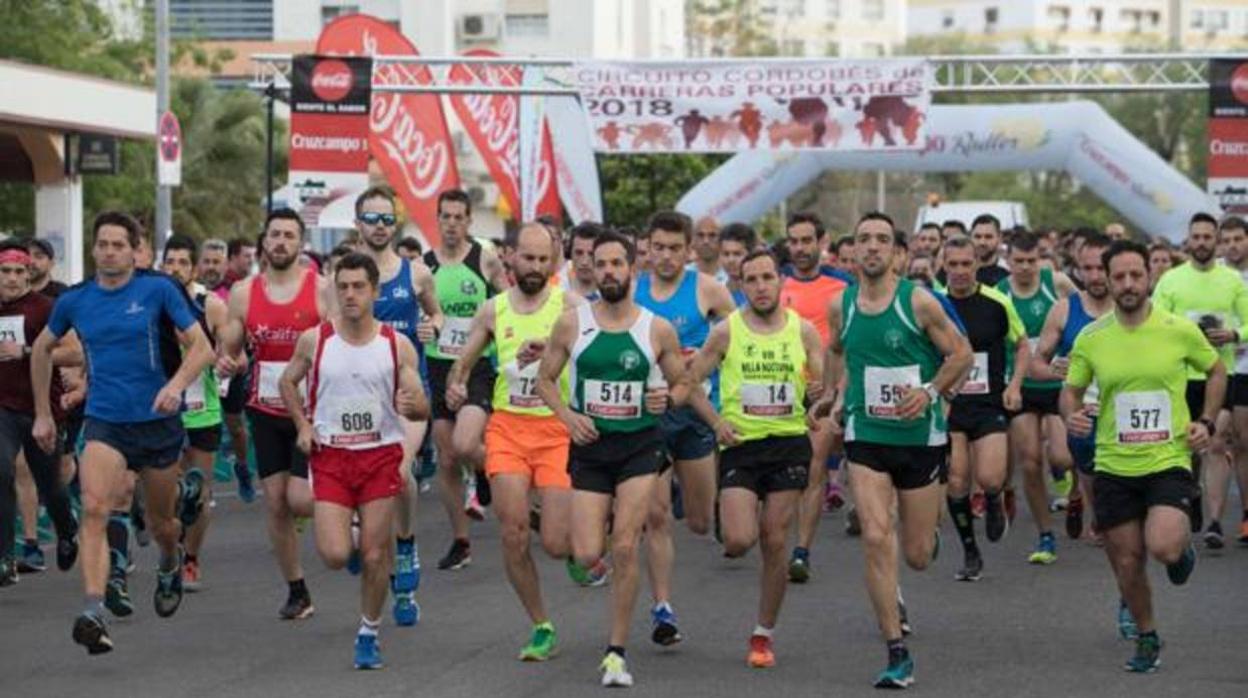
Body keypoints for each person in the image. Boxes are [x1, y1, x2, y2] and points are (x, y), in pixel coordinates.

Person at [30, 211, 213, 654]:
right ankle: (93, 609)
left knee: (162, 523)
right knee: (94, 507)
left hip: (157, 422)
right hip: (106, 421)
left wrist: (174, 386)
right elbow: (41, 349)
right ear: (93, 249)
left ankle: (169, 561)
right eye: (102, 244)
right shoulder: (75, 300)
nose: (109, 251)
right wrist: (43, 414)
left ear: (135, 250)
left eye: (118, 244)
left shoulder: (158, 290)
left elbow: (203, 347)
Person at [810, 211, 972, 689]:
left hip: (920, 438)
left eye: (882, 239)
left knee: (918, 554)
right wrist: (828, 392)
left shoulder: (918, 302)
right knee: (877, 536)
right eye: (864, 240)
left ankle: (929, 539)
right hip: (867, 436)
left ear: (897, 252)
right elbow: (837, 350)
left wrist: (930, 392)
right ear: (852, 251)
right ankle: (896, 650)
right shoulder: (843, 305)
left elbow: (960, 354)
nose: (873, 247)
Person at [535, 231, 690, 688]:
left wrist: (669, 398)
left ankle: (616, 652)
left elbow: (683, 384)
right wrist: (567, 418)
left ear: (632, 270)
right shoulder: (571, 324)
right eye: (600, 265)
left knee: (625, 545)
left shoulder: (656, 328)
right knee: (586, 553)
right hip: (590, 447)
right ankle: (609, 563)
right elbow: (545, 380)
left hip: (640, 446)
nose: (607, 272)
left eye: (616, 264)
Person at [448, 222, 602, 662]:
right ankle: (541, 626)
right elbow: (463, 365)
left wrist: (555, 347)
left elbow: (600, 353)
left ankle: (579, 546)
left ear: (553, 261)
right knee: (513, 533)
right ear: (510, 257)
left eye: (543, 259)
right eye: (527, 258)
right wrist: (455, 387)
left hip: (556, 431)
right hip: (509, 429)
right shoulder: (493, 310)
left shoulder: (571, 307)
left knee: (554, 542)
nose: (534, 267)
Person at [1062, 239, 1218, 673]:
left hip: (1167, 457)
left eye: (1136, 275)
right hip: (1113, 463)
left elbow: (1216, 369)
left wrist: (1205, 421)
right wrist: (1072, 415)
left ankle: (1181, 549)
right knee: (1128, 563)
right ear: (1106, 281)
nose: (1128, 284)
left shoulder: (1178, 329)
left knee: (1163, 547)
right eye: (1119, 277)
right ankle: (1148, 635)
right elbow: (1071, 390)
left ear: (1149, 276)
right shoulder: (1092, 338)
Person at [278, 252, 428, 670]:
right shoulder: (316, 340)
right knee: (334, 554)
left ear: (375, 291)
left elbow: (421, 412)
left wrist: (412, 404)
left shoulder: (396, 346)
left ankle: (368, 631)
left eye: (359, 286)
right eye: (342, 286)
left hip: (380, 455)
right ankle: (358, 541)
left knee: (378, 556)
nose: (350, 294)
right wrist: (303, 425)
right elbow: (288, 382)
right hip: (331, 458)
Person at [686, 249, 825, 668]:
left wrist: (818, 399)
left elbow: (820, 386)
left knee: (775, 538)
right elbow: (690, 382)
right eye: (752, 279)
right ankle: (724, 509)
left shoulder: (803, 332)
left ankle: (763, 633)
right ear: (741, 285)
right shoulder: (726, 331)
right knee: (738, 540)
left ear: (780, 281)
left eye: (768, 277)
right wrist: (715, 423)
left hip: (787, 443)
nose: (761, 286)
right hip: (741, 445)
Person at [219, 208, 334, 620]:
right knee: (276, 503)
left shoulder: (322, 290)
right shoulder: (245, 293)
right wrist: (227, 361)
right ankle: (297, 589)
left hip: (311, 410)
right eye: (275, 235)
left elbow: (340, 345)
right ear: (264, 242)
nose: (281, 242)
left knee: (300, 499)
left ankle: (348, 513)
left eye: (289, 235)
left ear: (301, 243)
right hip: (264, 409)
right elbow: (230, 345)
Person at [635, 211, 737, 647]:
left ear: (689, 250)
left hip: (696, 414)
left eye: (675, 248)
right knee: (655, 518)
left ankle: (698, 501)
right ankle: (663, 609)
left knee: (697, 522)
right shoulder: (633, 290)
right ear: (647, 247)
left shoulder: (708, 289)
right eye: (658, 247)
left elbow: (742, 335)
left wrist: (707, 358)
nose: (666, 256)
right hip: (649, 415)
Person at [352, 186, 444, 625]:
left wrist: (432, 326)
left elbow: (437, 315)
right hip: (360, 394)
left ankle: (405, 545)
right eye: (371, 218)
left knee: (399, 470)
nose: (380, 225)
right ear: (358, 224)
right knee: (364, 488)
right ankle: (378, 559)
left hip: (408, 391)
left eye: (387, 218)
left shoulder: (417, 273)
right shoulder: (346, 276)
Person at [422, 189, 508, 571]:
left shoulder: (484, 260)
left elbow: (508, 304)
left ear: (469, 222)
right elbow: (419, 316)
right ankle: (461, 541)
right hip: (439, 367)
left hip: (477, 367)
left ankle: (491, 473)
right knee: (447, 458)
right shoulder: (424, 268)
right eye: (446, 217)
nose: (452, 224)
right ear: (437, 220)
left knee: (465, 441)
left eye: (459, 217)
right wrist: (425, 327)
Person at [1151, 212, 1248, 545]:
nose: (1203, 243)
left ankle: (1216, 522)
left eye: (1209, 237)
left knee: (1218, 439)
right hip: (1181, 376)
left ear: (1216, 240)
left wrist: (1234, 334)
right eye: (1198, 237)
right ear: (1188, 241)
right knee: (1189, 446)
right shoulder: (1171, 280)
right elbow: (1156, 323)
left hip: (1221, 374)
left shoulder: (1232, 281)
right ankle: (1191, 491)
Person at [942, 235, 1027, 581]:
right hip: (951, 406)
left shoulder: (997, 302)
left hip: (989, 401)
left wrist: (1015, 384)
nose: (960, 271)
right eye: (953, 265)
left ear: (977, 264)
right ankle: (970, 550)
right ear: (943, 266)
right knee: (958, 480)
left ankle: (994, 499)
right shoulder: (935, 304)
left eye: (966, 264)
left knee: (990, 477)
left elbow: (1022, 346)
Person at [0, 240, 79, 586]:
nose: (13, 278)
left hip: (40, 410)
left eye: (19, 271)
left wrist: (29, 351)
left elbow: (75, 352)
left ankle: (66, 529)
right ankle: (5, 557)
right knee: (1, 472)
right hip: (2, 409)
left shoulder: (46, 308)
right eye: (5, 271)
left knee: (52, 487)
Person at [996, 230, 1078, 564]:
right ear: (1008, 261)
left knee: (1062, 457)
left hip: (1056, 384)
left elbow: (1083, 312)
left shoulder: (1056, 283)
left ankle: (1074, 494)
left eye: (1031, 261)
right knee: (1030, 461)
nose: (1026, 268)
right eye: (1019, 261)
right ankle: (1046, 534)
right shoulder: (1000, 293)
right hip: (1021, 387)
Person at [779, 213, 851, 583]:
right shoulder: (774, 285)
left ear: (822, 243)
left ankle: (801, 551)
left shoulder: (841, 289)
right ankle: (776, 539)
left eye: (807, 241)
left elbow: (847, 345)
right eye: (794, 241)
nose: (800, 248)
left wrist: (835, 389)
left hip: (821, 394)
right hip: (778, 393)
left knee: (814, 468)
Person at [1030, 233, 1115, 542]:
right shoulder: (1065, 310)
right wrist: (1054, 370)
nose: (1094, 276)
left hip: (1123, 413)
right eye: (1087, 268)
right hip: (1082, 415)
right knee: (1080, 464)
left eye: (1101, 268)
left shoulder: (1133, 308)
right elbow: (1035, 364)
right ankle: (1088, 501)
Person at [160, 235, 228, 591]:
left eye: (183, 263)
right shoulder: (152, 302)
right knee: (167, 491)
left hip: (202, 410)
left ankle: (191, 560)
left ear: (194, 268)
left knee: (199, 491)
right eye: (170, 262)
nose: (175, 269)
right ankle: (169, 552)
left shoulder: (211, 305)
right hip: (163, 410)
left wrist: (230, 360)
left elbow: (235, 350)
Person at [1217, 216, 1248, 544]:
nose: (1232, 246)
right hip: (1225, 369)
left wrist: (1236, 333)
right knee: (1234, 442)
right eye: (1226, 241)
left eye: (1238, 239)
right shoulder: (1215, 275)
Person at [562, 222, 603, 301]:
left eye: (591, 254)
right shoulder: (553, 289)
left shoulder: (615, 294)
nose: (584, 262)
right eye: (579, 253)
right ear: (570, 253)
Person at [719, 223, 757, 307]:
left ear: (751, 254)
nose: (730, 260)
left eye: (737, 254)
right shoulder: (715, 294)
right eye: (726, 254)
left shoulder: (763, 291)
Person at [970, 215, 1010, 286]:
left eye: (988, 237)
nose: (982, 242)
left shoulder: (1009, 271)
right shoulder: (962, 269)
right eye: (977, 237)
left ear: (999, 238)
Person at [689, 216, 729, 284]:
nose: (706, 241)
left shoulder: (731, 277)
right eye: (700, 235)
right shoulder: (682, 276)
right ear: (693, 240)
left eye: (712, 235)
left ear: (722, 240)